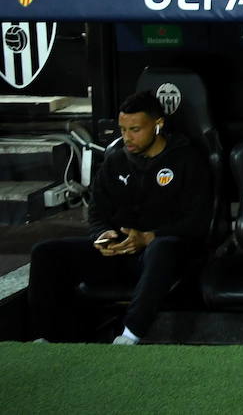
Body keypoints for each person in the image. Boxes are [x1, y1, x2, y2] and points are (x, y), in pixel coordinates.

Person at [28, 91, 213, 344]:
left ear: (158, 125)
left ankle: (129, 335)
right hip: (120, 253)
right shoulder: (116, 160)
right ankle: (47, 337)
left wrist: (149, 237)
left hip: (166, 256)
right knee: (45, 253)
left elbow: (198, 222)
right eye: (123, 129)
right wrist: (103, 236)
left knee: (162, 248)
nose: (127, 137)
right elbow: (97, 212)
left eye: (135, 129)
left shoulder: (187, 159)